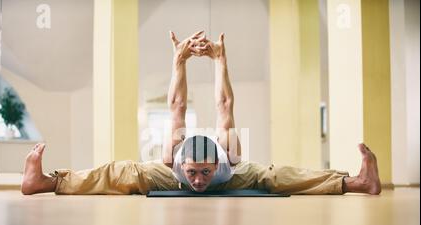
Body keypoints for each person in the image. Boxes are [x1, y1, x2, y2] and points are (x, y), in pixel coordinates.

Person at [21, 31, 381, 196]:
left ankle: (354, 182)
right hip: (168, 177)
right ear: (181, 162)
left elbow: (225, 105)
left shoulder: (230, 157)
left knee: (274, 175)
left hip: (235, 177)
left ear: (218, 163)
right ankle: (48, 182)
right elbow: (176, 105)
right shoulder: (172, 160)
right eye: (193, 172)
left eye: (204, 173)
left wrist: (220, 58)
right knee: (122, 171)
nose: (197, 181)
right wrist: (178, 60)